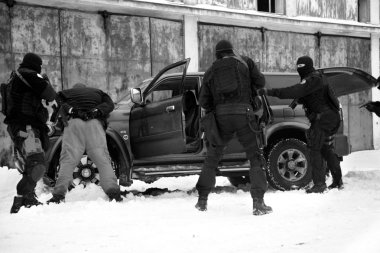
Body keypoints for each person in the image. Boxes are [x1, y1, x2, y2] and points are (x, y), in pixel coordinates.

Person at [195, 40, 272, 215]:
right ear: (232, 51)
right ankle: (258, 203)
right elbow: (260, 82)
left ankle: (202, 201)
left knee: (212, 157)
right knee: (255, 156)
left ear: (217, 54)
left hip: (221, 117)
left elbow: (203, 101)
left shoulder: (211, 71)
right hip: (244, 114)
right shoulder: (245, 62)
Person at [259, 56, 343, 193]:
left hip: (324, 119)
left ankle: (320, 185)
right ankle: (338, 181)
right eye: (298, 68)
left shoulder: (312, 79)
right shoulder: (318, 78)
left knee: (314, 148)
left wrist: (269, 92)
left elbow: (293, 90)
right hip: (329, 118)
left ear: (307, 67)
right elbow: (311, 95)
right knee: (325, 148)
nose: (300, 70)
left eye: (301, 67)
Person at [47, 83, 122, 204]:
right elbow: (110, 105)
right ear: (86, 88)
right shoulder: (98, 92)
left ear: (74, 89)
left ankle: (58, 195)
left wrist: (71, 109)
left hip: (73, 125)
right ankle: (114, 193)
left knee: (67, 161)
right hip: (94, 125)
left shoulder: (66, 93)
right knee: (103, 160)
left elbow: (56, 101)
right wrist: (96, 111)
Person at [5, 53, 57, 213]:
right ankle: (20, 199)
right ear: (35, 65)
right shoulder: (30, 75)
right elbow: (50, 94)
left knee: (31, 164)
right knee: (37, 165)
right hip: (27, 127)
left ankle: (28, 199)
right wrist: (45, 80)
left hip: (21, 127)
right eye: (40, 66)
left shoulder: (17, 77)